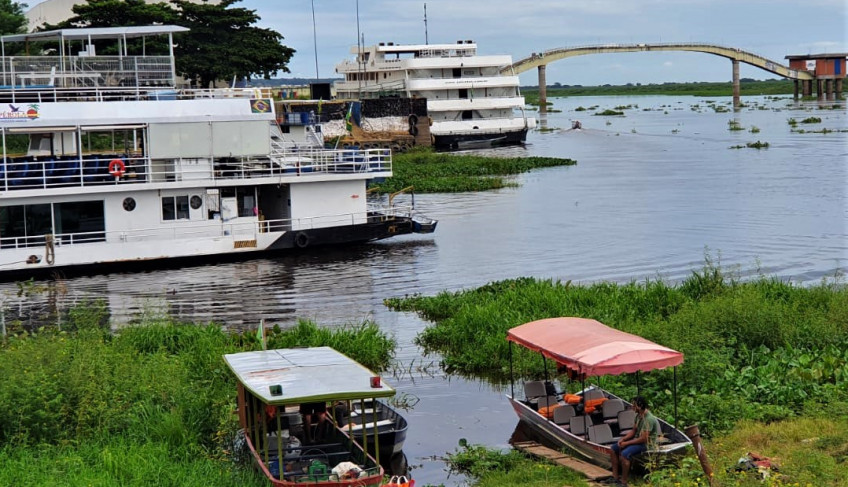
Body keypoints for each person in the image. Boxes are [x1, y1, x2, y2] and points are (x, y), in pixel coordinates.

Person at [609, 395, 660, 486]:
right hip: (637, 440)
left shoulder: (649, 419)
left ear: (639, 406)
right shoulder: (638, 416)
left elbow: (643, 439)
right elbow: (633, 431)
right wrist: (623, 439)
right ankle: (615, 477)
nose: (632, 407)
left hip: (646, 444)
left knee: (625, 454)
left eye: (634, 406)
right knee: (613, 449)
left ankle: (624, 482)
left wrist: (626, 443)